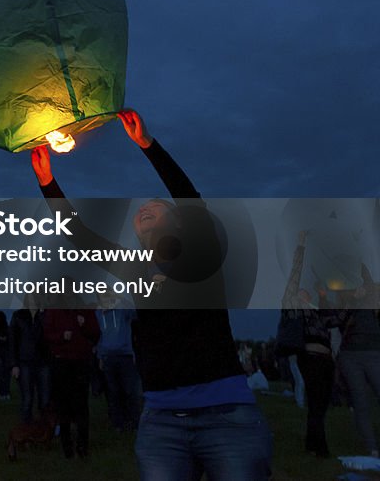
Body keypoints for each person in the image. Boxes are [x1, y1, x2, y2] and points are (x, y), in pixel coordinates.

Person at [31, 109, 272, 480]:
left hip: (225, 416)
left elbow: (189, 197)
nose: (145, 209)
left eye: (157, 209)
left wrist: (148, 144)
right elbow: (81, 237)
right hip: (162, 422)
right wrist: (48, 183)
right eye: (141, 213)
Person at [281, 231, 341, 457]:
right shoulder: (293, 305)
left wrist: (325, 296)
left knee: (321, 403)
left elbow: (335, 320)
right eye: (301, 290)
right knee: (316, 400)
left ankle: (311, 442)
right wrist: (301, 246)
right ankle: (321, 449)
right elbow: (294, 275)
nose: (304, 292)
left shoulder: (318, 311)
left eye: (308, 292)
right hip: (310, 357)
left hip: (326, 360)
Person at [44, 300, 100, 458]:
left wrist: (84, 326)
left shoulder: (84, 310)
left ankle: (82, 446)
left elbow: (95, 333)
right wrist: (61, 336)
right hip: (61, 362)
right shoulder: (54, 309)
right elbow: (47, 333)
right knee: (64, 406)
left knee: (81, 405)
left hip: (80, 362)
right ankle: (67, 446)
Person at [335, 266, 380, 456]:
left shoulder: (373, 294)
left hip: (373, 352)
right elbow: (338, 320)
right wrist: (353, 299)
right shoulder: (345, 297)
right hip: (350, 355)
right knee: (360, 402)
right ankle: (372, 449)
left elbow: (369, 279)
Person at [96, 290, 141, 432]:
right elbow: (99, 335)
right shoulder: (98, 313)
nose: (106, 297)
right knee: (113, 392)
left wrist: (121, 299)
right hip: (108, 357)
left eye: (107, 294)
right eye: (102, 295)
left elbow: (135, 314)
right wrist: (100, 356)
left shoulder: (122, 310)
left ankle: (133, 421)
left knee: (129, 390)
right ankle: (117, 423)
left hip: (125, 355)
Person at [9, 293, 51, 423]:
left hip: (43, 362)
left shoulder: (45, 316)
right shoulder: (18, 316)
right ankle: (26, 429)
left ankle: (43, 428)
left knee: (45, 398)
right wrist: (14, 364)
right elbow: (12, 341)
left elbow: (49, 336)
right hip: (24, 362)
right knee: (27, 398)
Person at [0, 311, 12, 401]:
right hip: (6, 355)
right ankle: (6, 393)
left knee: (1, 376)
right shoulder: (7, 329)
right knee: (6, 376)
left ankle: (2, 393)